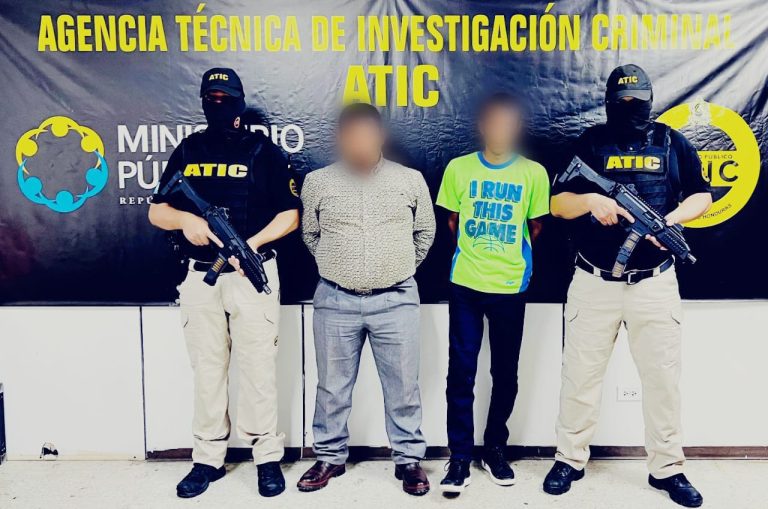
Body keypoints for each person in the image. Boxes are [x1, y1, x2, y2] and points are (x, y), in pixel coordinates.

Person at [544, 64, 712, 508]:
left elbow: (702, 194)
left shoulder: (672, 143)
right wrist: (591, 200)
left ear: (650, 101)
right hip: (593, 282)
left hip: (654, 285)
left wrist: (669, 222)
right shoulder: (590, 144)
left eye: (637, 102)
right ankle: (569, 459)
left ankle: (667, 468)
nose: (630, 109)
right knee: (580, 377)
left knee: (662, 381)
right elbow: (557, 204)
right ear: (608, 103)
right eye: (623, 103)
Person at [148, 67, 300, 499]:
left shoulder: (264, 152)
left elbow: (291, 215)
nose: (218, 105)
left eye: (225, 99)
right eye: (211, 98)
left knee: (258, 370)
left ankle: (266, 458)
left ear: (239, 102)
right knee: (208, 370)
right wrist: (187, 220)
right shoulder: (188, 150)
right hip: (201, 277)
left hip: (252, 273)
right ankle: (208, 459)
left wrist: (249, 245)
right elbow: (157, 211)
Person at [298, 103, 436, 496]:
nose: (360, 142)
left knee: (403, 386)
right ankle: (329, 457)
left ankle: (408, 460)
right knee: (332, 387)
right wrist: (340, 267)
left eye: (367, 134)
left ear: (380, 136)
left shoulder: (409, 180)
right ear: (341, 138)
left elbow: (424, 233)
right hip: (335, 300)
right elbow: (311, 235)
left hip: (396, 299)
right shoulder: (318, 182)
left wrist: (394, 269)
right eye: (352, 135)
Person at [435, 92, 550, 494]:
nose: (500, 130)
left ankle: (494, 449)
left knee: (505, 372)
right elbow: (452, 221)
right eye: (493, 122)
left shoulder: (534, 173)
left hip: (510, 286)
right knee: (460, 372)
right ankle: (459, 457)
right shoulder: (458, 168)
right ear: (482, 126)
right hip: (466, 284)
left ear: (516, 128)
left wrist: (506, 257)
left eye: (507, 123)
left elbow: (535, 226)